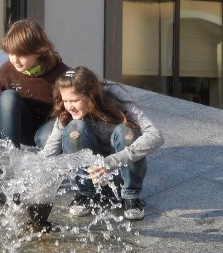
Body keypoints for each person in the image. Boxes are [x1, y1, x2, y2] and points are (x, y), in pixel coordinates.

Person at [41, 66, 163, 221]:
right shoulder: (67, 111)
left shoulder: (116, 97)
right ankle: (85, 193)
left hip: (118, 172)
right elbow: (50, 150)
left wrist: (112, 162)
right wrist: (32, 178)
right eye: (65, 100)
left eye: (75, 100)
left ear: (90, 96)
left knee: (127, 132)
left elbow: (156, 136)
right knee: (74, 128)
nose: (69, 106)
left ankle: (131, 196)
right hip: (91, 175)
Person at [0, 19, 70, 149]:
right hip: (21, 126)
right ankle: (8, 154)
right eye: (11, 54)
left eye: (22, 55)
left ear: (38, 51)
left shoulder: (61, 74)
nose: (15, 60)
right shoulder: (7, 71)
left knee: (45, 138)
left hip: (50, 125)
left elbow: (69, 113)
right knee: (8, 97)